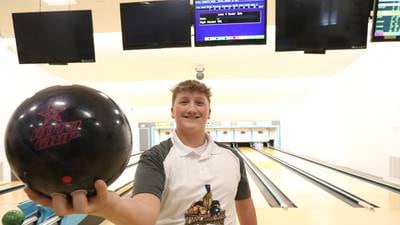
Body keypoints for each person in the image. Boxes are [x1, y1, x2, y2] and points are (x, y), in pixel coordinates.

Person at [25, 80, 257, 225]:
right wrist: (106, 204)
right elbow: (143, 216)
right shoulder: (155, 158)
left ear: (209, 111)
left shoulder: (232, 157)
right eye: (184, 101)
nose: (192, 108)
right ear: (172, 111)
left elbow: (245, 206)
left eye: (199, 102)